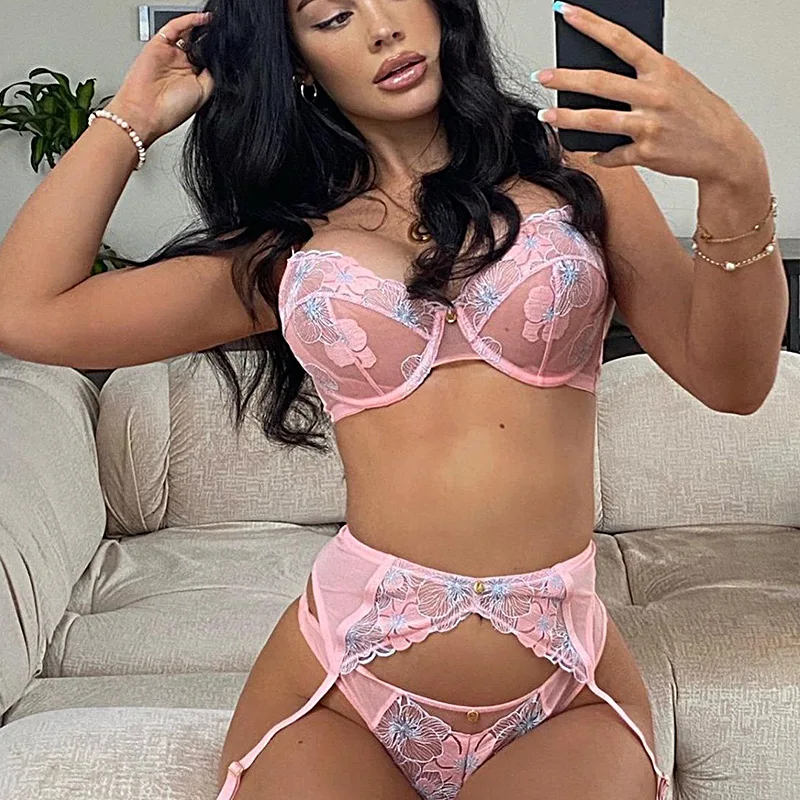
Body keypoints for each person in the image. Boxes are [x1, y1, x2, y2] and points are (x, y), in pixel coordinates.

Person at [0, 0, 781, 797]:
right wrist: (130, 118)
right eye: (333, 16)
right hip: (341, 683)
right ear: (295, 60)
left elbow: (733, 380)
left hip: (563, 683)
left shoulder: (573, 172)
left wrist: (736, 176)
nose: (382, 27)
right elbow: (25, 313)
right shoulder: (288, 247)